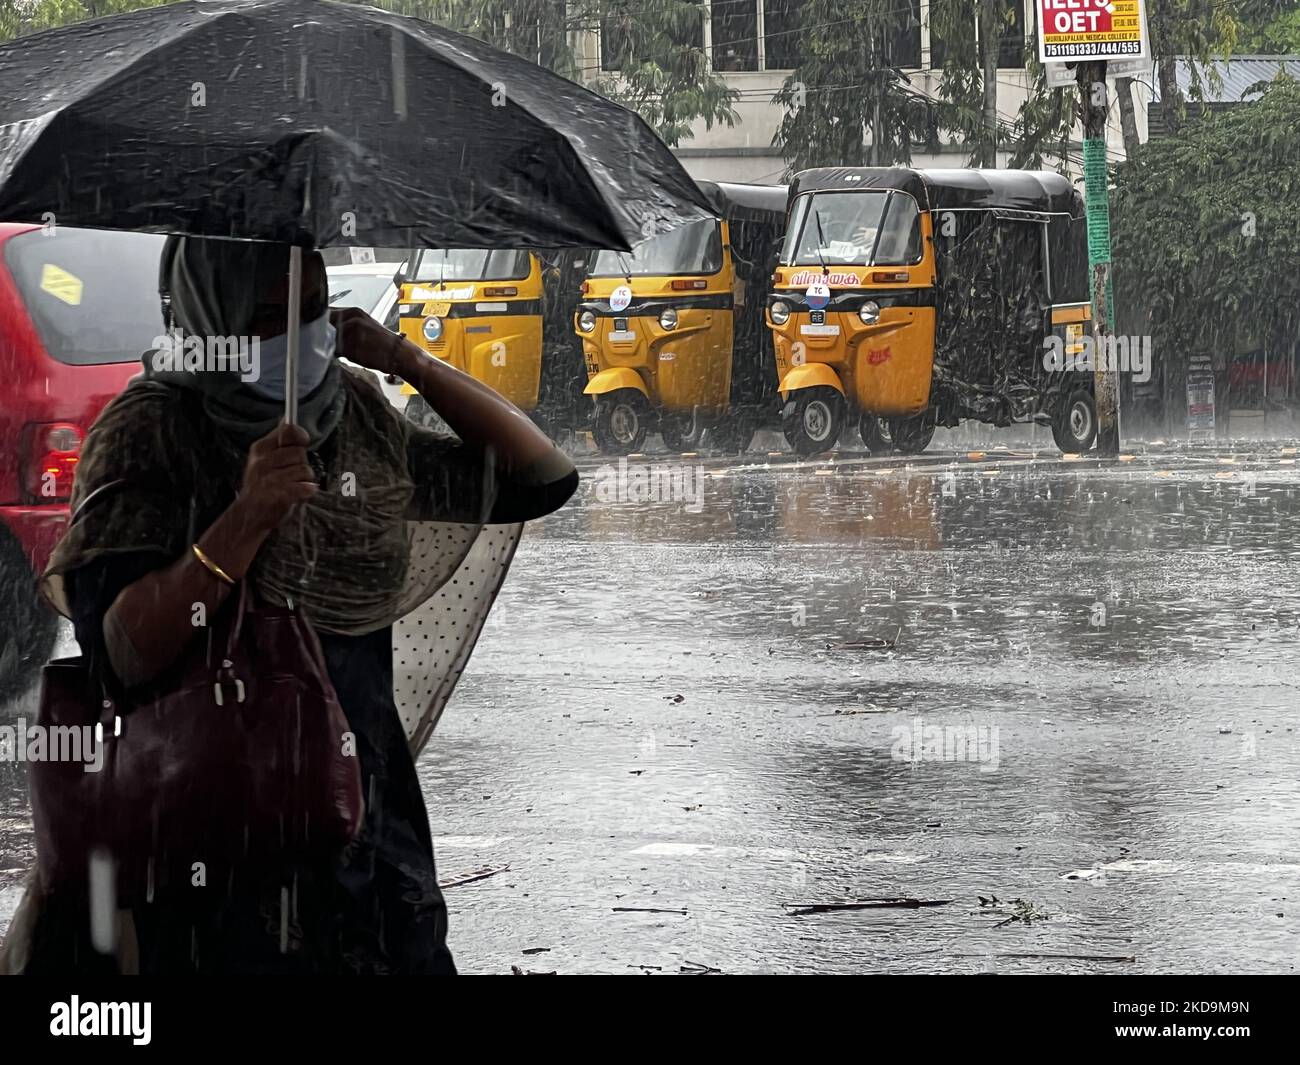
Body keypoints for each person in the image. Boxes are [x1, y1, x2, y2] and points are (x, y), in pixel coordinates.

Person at [3, 237, 578, 974]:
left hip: (362, 814)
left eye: (315, 310)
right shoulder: (148, 430)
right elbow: (121, 650)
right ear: (211, 316)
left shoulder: (355, 419)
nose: (303, 337)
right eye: (269, 317)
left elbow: (539, 479)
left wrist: (407, 360)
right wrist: (244, 519)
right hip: (209, 828)